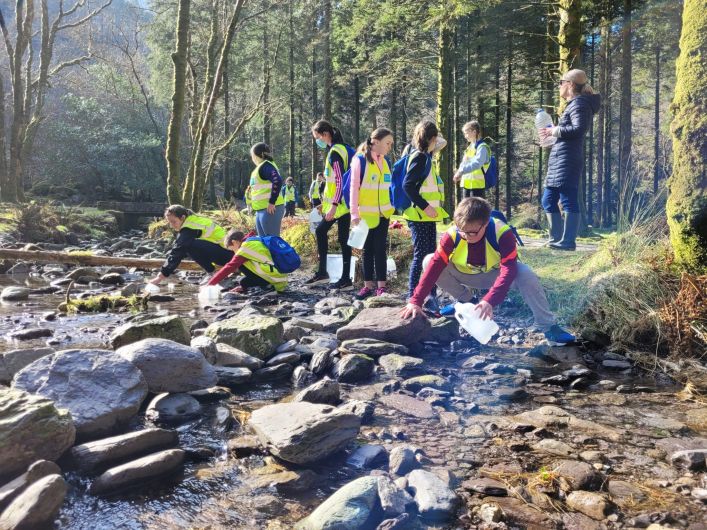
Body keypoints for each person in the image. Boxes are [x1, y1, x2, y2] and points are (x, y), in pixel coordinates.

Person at [401, 197, 575, 345]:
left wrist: (490, 300)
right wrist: (415, 300)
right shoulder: (453, 234)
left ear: (484, 224)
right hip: (465, 274)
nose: (466, 237)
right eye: (462, 232)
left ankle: (547, 325)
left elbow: (508, 270)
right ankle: (467, 302)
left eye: (472, 233)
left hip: (495, 275)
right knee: (428, 260)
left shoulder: (503, 233)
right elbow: (435, 267)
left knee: (526, 273)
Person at [540, 69, 601, 251]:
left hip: (568, 158)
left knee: (568, 199)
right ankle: (556, 240)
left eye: (561, 82)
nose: (559, 86)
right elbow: (570, 130)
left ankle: (567, 242)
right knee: (548, 200)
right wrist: (553, 137)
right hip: (561, 157)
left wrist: (555, 131)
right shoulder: (575, 104)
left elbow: (579, 129)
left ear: (571, 84)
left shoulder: (580, 104)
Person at [403, 119, 449, 300]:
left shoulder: (426, 156)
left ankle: (429, 294)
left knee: (431, 257)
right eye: (434, 137)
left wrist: (429, 136)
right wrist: (426, 206)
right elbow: (408, 186)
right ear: (431, 138)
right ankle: (412, 295)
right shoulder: (420, 157)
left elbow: (442, 142)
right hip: (419, 215)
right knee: (421, 255)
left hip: (426, 217)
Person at [306, 119, 354, 290]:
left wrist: (333, 205)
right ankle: (344, 278)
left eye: (317, 137)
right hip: (345, 202)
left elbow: (339, 180)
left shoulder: (335, 153)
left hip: (339, 205)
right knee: (343, 239)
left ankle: (324, 273)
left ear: (325, 134)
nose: (317, 141)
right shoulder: (345, 149)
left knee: (322, 231)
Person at [349, 127, 395, 299]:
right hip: (365, 215)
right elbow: (354, 188)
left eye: (391, 143)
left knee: (380, 249)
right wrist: (354, 214)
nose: (389, 146)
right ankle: (368, 285)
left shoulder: (386, 161)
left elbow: (388, 187)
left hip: (384, 214)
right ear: (375, 142)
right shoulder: (359, 160)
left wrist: (392, 204)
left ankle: (381, 287)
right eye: (387, 143)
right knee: (367, 250)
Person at [149, 205, 233, 285]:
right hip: (226, 253)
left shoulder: (189, 227)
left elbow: (178, 250)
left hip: (229, 255)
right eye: (170, 222)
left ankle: (212, 273)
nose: (171, 225)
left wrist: (160, 276)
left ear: (182, 217)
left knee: (189, 246)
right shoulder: (193, 221)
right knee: (187, 246)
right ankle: (212, 273)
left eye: (174, 222)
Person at [206, 229, 287, 293]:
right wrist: (243, 286)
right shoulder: (253, 240)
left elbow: (229, 267)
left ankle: (269, 286)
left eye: (232, 249)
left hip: (276, 280)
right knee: (244, 282)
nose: (234, 252)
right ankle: (267, 284)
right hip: (280, 276)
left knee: (239, 265)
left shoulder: (244, 250)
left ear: (234, 242)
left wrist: (209, 285)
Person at [249, 142, 285, 237]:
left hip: (270, 208)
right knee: (264, 242)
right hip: (261, 209)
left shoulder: (266, 166)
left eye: (252, 155)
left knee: (272, 242)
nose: (252, 158)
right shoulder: (260, 167)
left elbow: (277, 181)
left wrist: (272, 202)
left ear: (260, 155)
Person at [453, 120, 491, 199]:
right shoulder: (469, 147)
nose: (465, 136)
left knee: (476, 211)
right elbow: (464, 162)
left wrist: (461, 171)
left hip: (477, 187)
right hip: (466, 186)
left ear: (474, 132)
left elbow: (477, 163)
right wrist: (459, 173)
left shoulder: (482, 147)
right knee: (466, 210)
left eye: (466, 133)